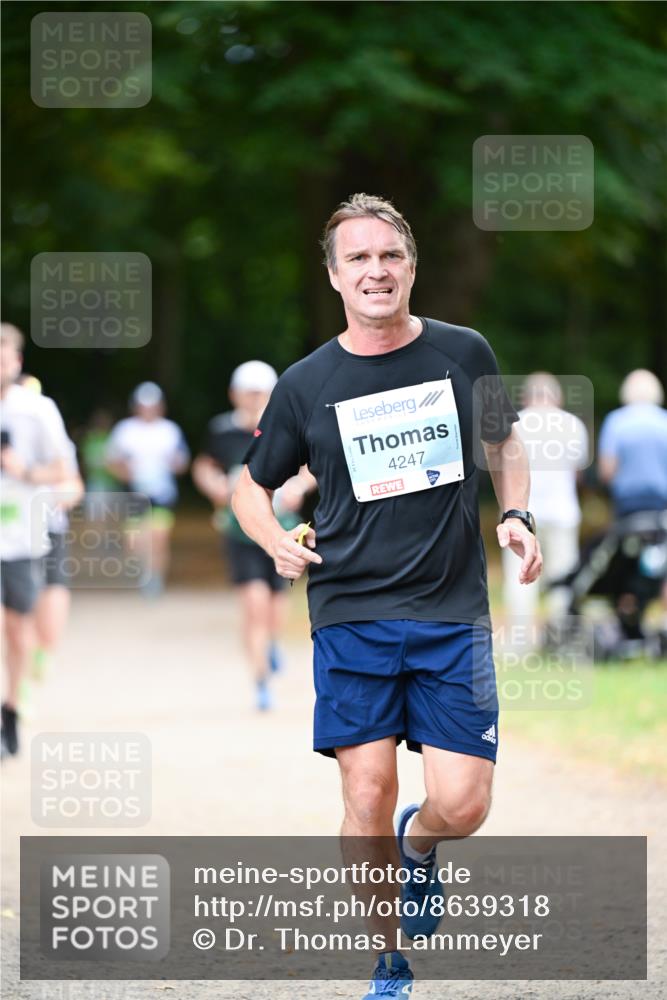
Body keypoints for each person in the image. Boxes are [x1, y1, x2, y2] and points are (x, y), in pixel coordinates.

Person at [232, 193, 542, 997]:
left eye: (389, 256)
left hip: (450, 613)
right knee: (365, 788)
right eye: (358, 258)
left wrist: (513, 513)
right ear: (335, 276)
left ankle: (422, 844)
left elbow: (504, 443)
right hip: (350, 613)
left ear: (411, 267)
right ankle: (388, 958)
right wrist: (274, 543)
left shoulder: (462, 353)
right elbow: (248, 489)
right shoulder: (306, 383)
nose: (376, 270)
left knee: (463, 804)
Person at [193, 361, 316, 711]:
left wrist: (299, 485)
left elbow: (315, 465)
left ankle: (271, 642)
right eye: (248, 392)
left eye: (261, 392)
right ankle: (261, 680)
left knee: (276, 608)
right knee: (253, 604)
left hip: (284, 527)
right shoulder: (222, 430)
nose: (254, 399)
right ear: (235, 394)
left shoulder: (287, 425)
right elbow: (204, 465)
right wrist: (213, 484)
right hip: (240, 531)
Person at [0, 324, 72, 757]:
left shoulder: (37, 410)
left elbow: (64, 470)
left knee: (16, 625)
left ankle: (11, 708)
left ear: (17, 362)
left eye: (4, 358)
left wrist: (25, 470)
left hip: (19, 534)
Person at [502, 371, 588, 642]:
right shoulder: (572, 424)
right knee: (563, 576)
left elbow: (504, 470)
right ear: (558, 397)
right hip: (563, 511)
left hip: (523, 513)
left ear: (527, 397)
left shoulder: (517, 423)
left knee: (521, 576)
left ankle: (520, 641)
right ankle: (560, 638)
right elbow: (577, 471)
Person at [15, 375, 84, 684]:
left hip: (47, 529)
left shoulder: (54, 441)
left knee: (51, 599)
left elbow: (74, 486)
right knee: (18, 608)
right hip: (11, 533)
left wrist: (58, 497)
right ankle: (23, 670)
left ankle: (43, 652)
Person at [598, 368, 667, 633]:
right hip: (662, 506)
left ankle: (626, 611)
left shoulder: (617, 422)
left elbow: (607, 470)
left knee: (626, 562)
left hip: (629, 508)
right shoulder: (664, 421)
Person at [105, 382, 189, 597]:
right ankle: (144, 570)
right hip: (134, 493)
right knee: (134, 541)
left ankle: (155, 578)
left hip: (162, 494)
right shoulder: (125, 430)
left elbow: (182, 461)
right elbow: (111, 460)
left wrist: (174, 464)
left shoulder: (169, 430)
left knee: (158, 538)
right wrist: (125, 473)